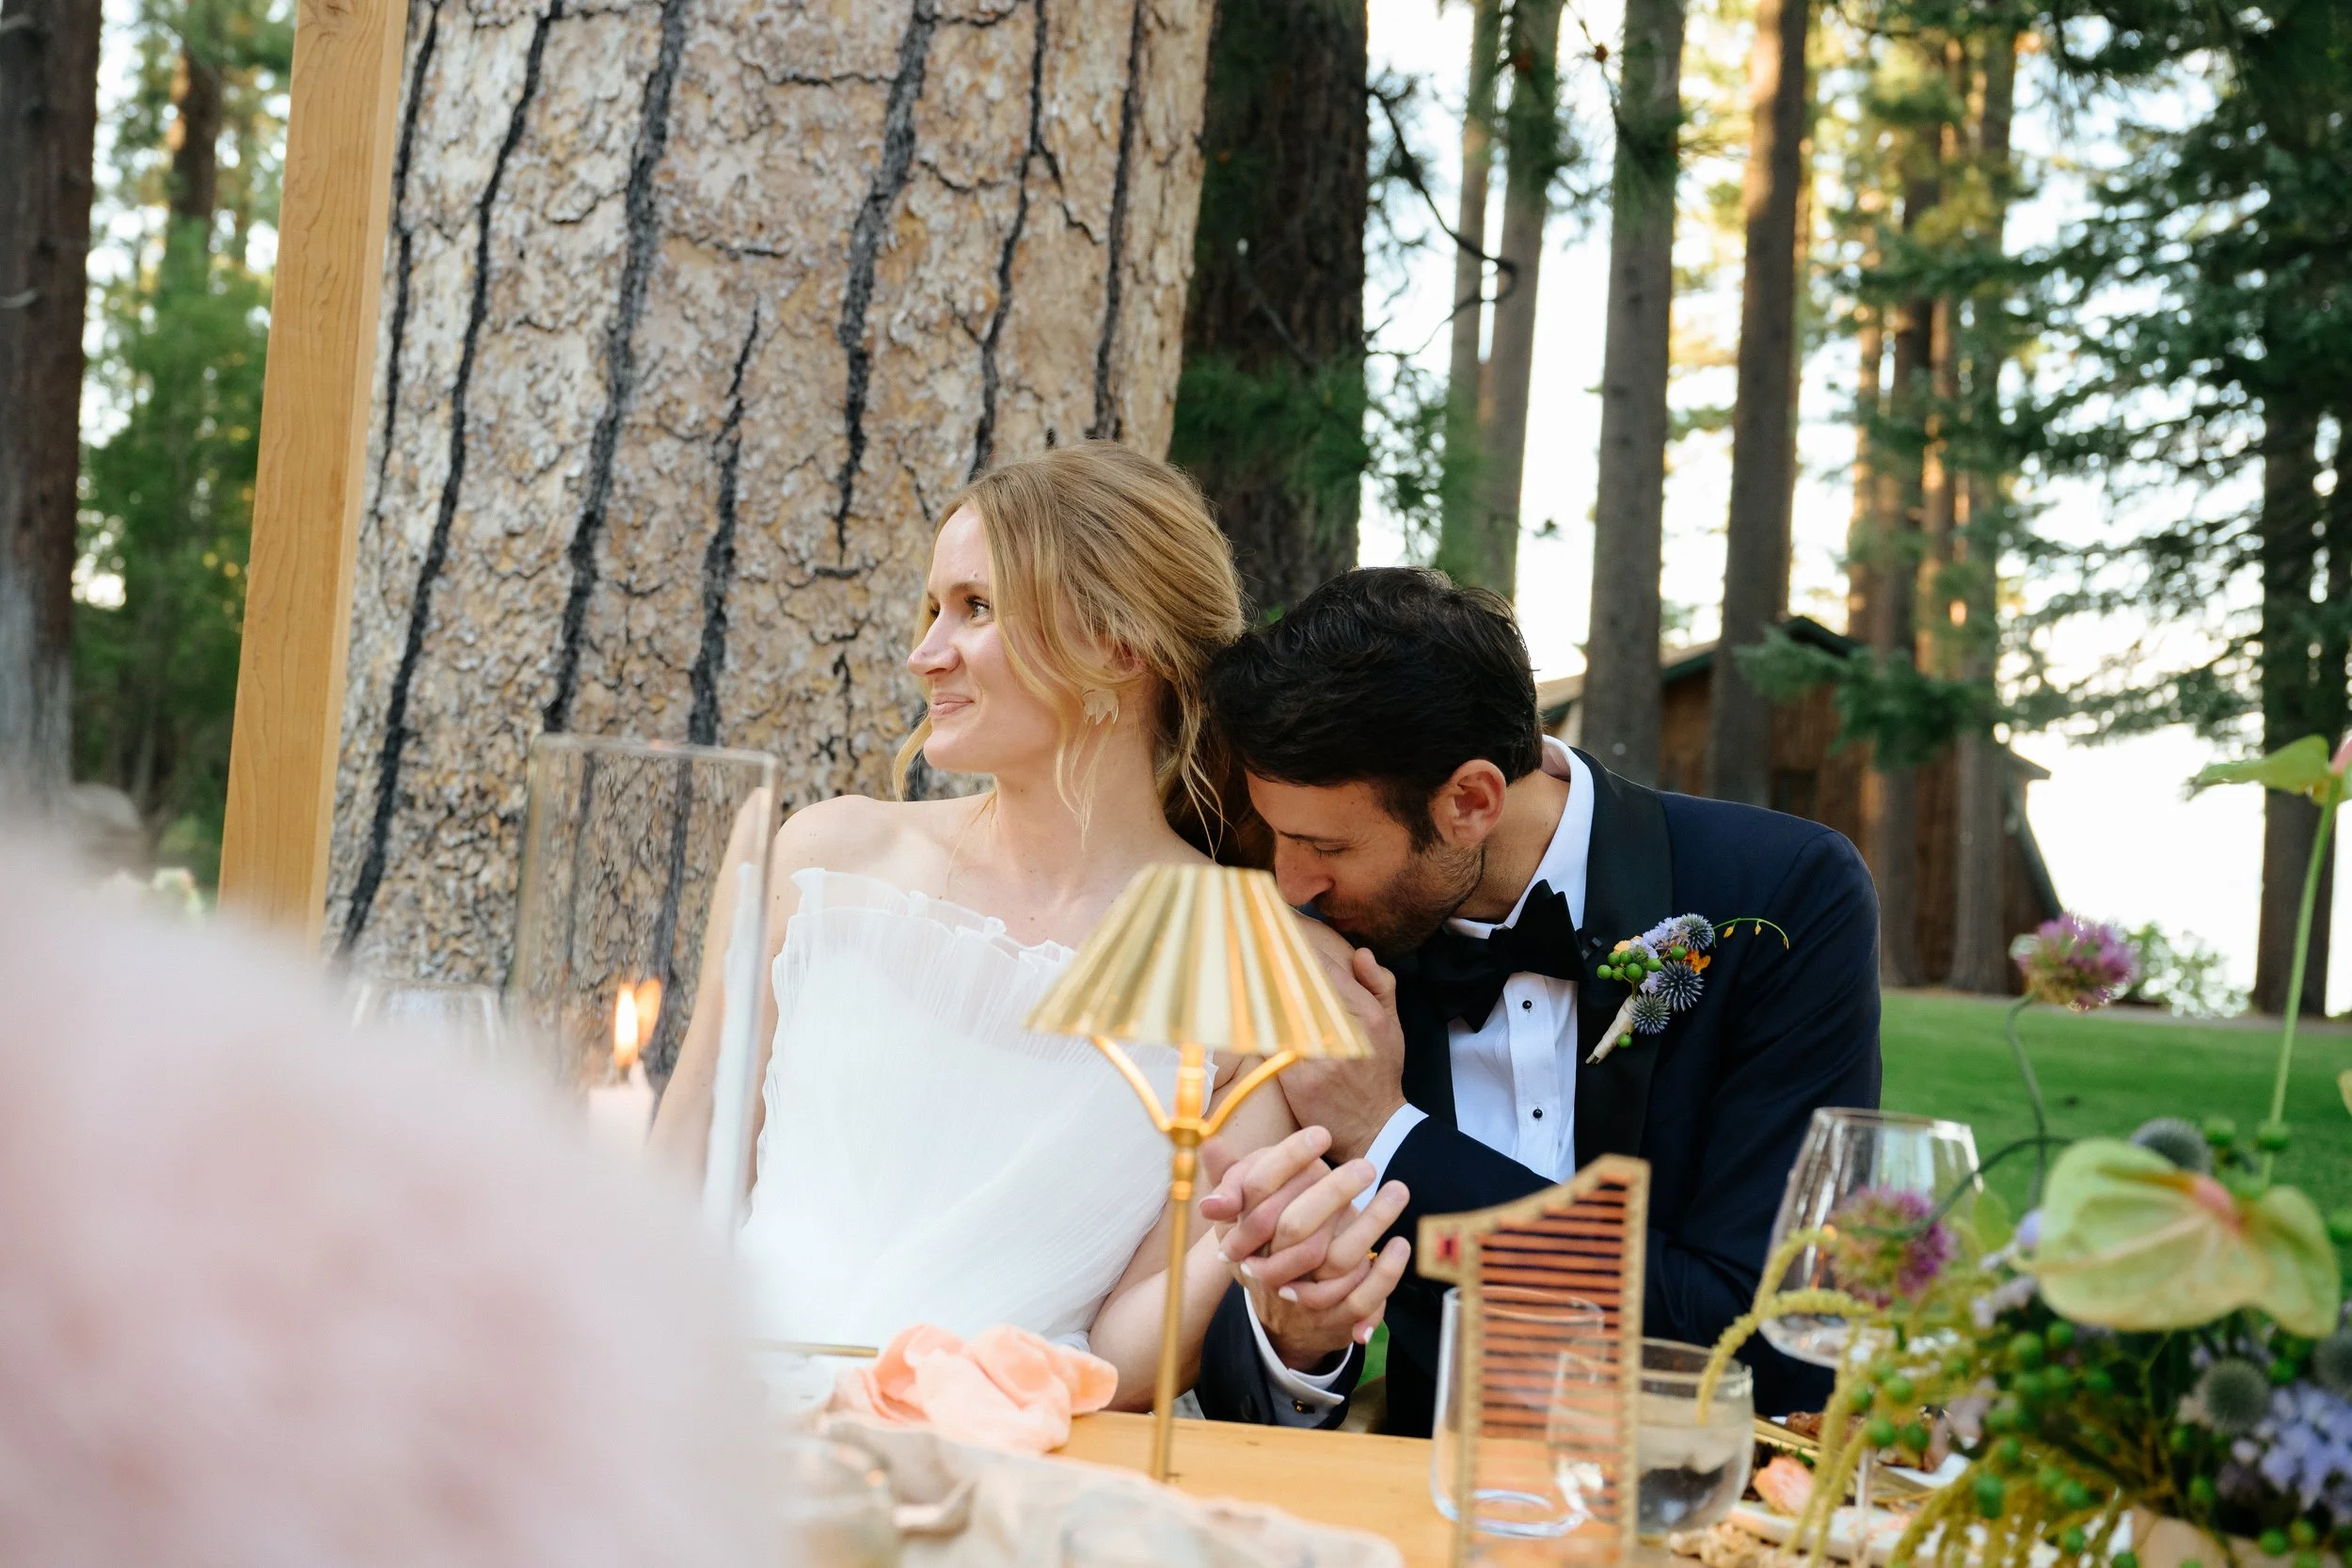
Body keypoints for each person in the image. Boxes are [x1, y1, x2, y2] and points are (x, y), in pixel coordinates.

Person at [660, 443, 1411, 1410]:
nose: (925, 650)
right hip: (720, 1424)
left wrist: (1243, 1247)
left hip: (1009, 1471)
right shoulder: (822, 857)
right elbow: (683, 1155)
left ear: (1118, 645)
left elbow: (1126, 1354)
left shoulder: (1269, 962)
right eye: (933, 608)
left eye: (975, 607)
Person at [1190, 567, 1883, 1434]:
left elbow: (1763, 1333)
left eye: (1323, 844)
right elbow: (1250, 1359)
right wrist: (1302, 1344)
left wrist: (1391, 1135)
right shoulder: (1339, 955)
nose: (1292, 884)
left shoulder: (1780, 899)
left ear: (1471, 800)